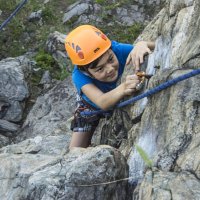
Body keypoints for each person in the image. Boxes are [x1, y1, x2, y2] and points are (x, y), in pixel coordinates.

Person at [65, 24, 155, 149]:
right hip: (91, 106)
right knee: (74, 151)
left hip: (114, 95)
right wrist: (123, 88)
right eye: (100, 69)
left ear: (111, 49)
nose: (110, 69)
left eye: (111, 59)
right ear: (86, 72)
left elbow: (154, 46)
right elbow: (102, 101)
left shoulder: (117, 50)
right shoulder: (79, 76)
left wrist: (142, 44)